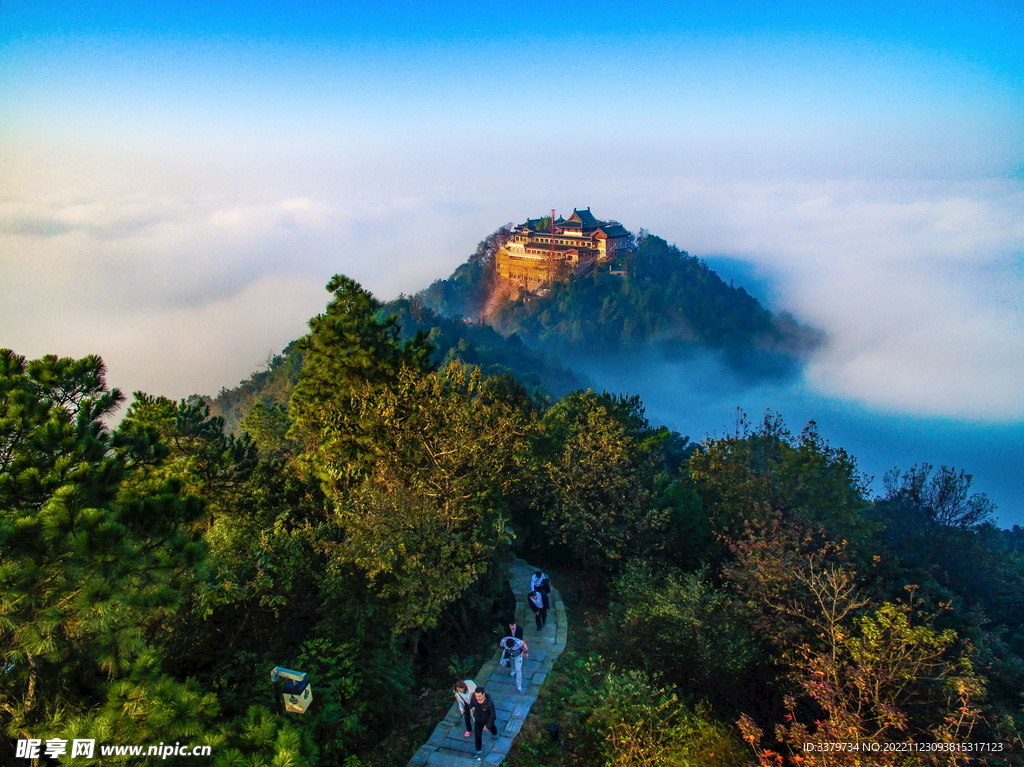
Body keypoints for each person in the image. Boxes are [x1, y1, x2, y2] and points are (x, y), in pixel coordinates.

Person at [469, 687, 498, 758]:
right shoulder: (473, 697)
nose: (478, 698)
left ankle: (495, 734)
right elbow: (471, 703)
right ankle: (478, 749)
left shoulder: (489, 702)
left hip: (487, 719)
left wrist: (488, 725)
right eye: (476, 696)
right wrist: (471, 708)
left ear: (483, 694)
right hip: (478, 719)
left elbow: (492, 715)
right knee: (477, 734)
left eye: (479, 696)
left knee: (492, 727)